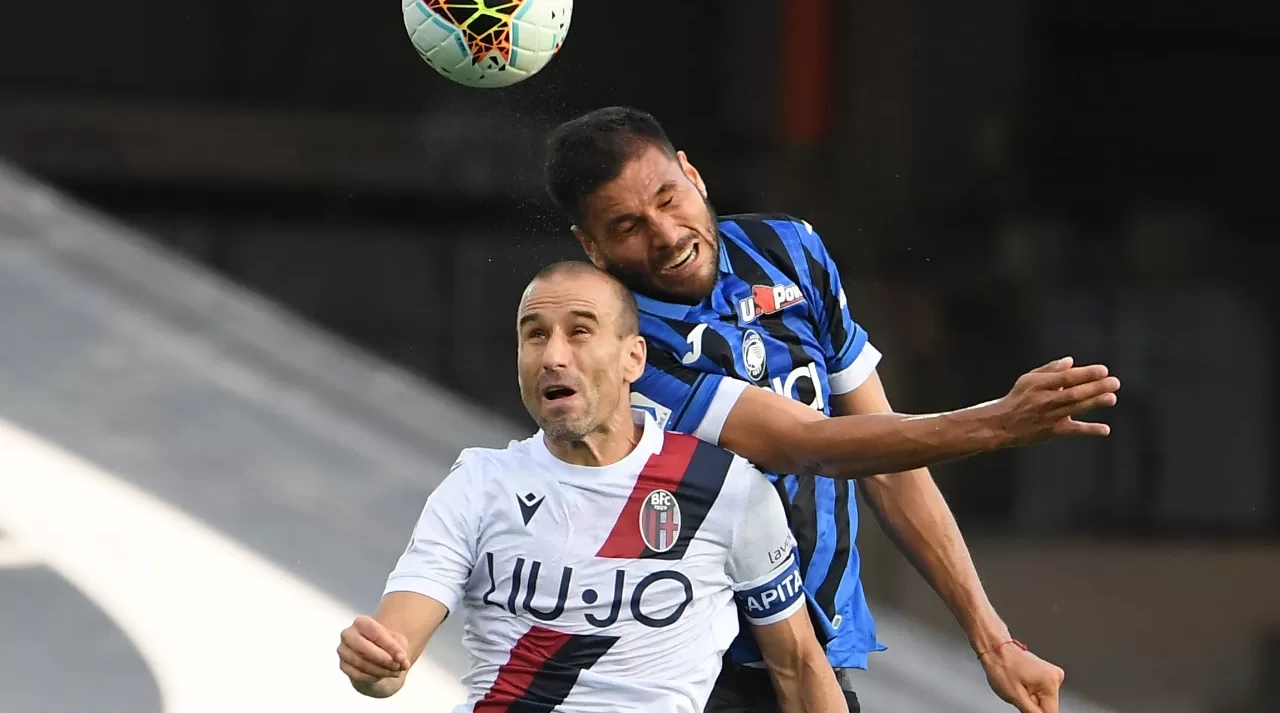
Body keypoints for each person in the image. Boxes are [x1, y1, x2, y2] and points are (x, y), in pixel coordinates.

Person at [543, 106, 1122, 713]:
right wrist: (996, 425)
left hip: (813, 654)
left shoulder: (789, 250)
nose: (665, 234)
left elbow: (888, 459)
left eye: (669, 197)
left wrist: (992, 639)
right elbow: (809, 444)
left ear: (694, 175)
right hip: (682, 670)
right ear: (593, 247)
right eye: (628, 225)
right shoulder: (615, 341)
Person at [337, 261, 849, 712]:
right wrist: (375, 665)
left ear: (634, 358)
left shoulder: (725, 487)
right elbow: (395, 642)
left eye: (579, 332)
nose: (553, 356)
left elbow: (799, 666)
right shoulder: (478, 483)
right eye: (534, 335)